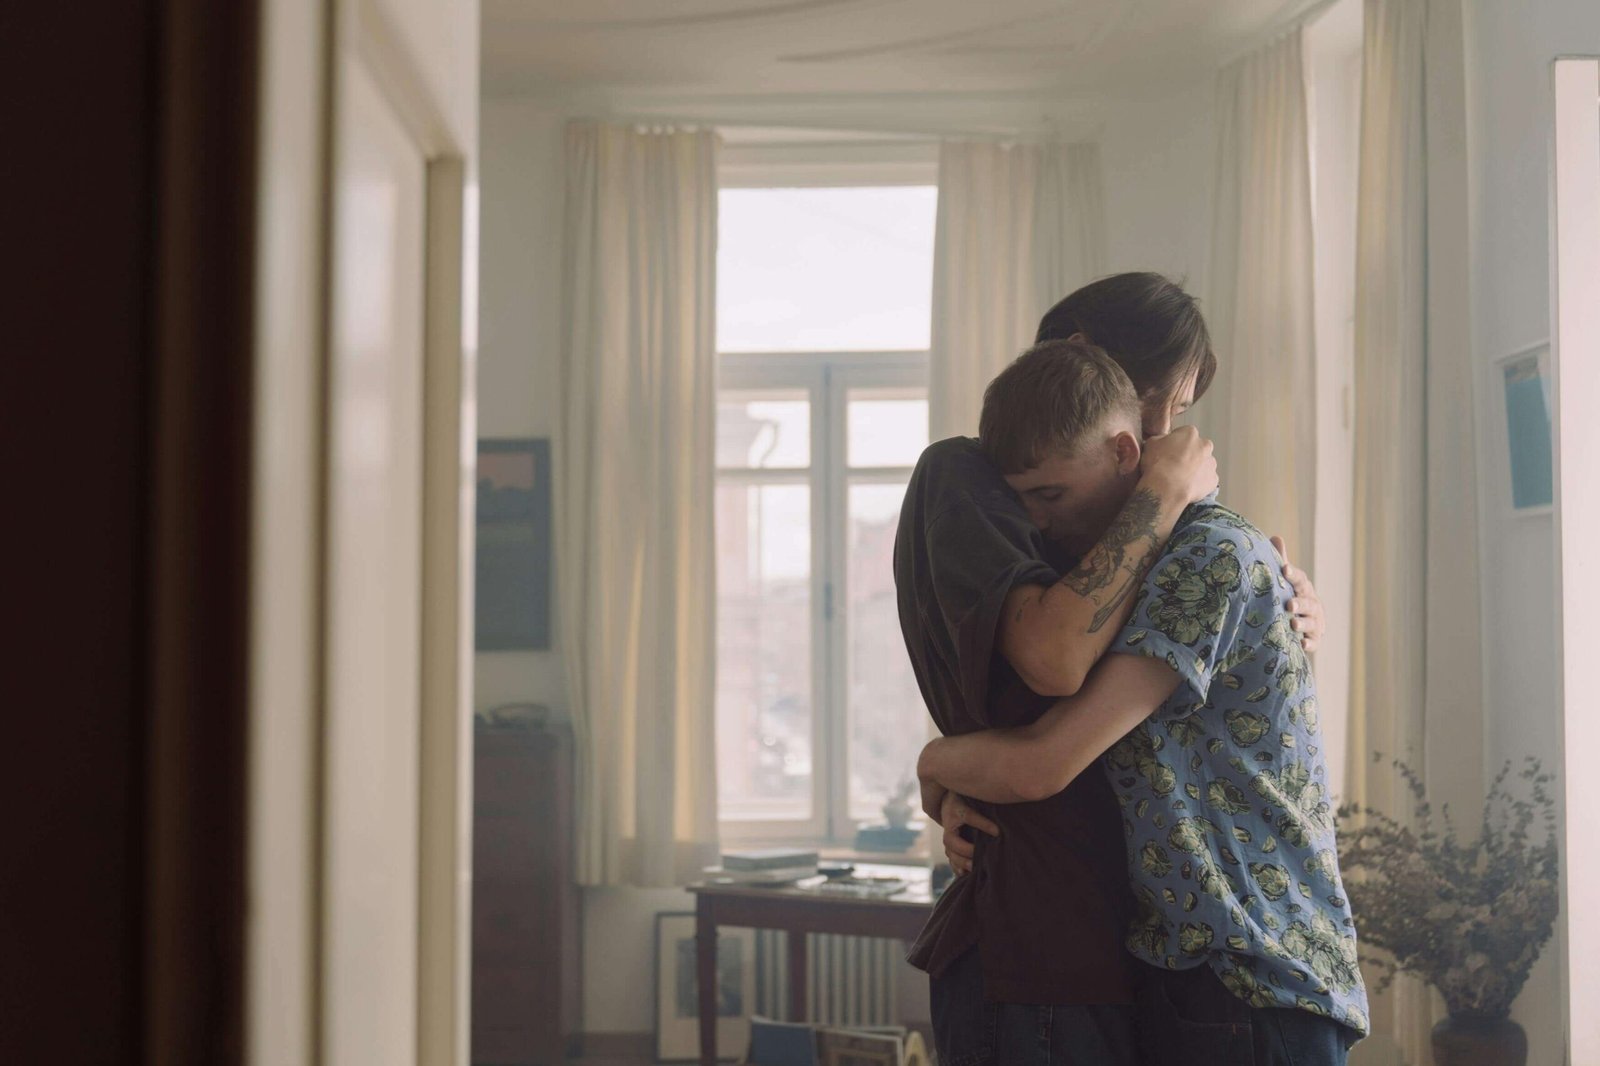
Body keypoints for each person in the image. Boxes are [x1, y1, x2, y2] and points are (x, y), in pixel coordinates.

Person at [894, 273, 1327, 1066]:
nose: (1167, 431)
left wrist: (1280, 584)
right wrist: (1163, 492)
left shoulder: (1189, 543)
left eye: (1178, 412)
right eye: (1153, 397)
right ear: (1078, 359)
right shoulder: (969, 473)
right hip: (1105, 945)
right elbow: (1053, 662)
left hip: (1218, 960)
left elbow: (1058, 741)